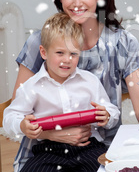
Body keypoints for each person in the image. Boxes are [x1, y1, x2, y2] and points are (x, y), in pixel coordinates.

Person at [12, 0, 139, 171]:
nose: (76, 3)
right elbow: (16, 116)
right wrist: (54, 134)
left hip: (101, 151)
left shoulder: (122, 42)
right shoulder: (39, 41)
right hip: (43, 151)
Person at [4, 12, 120, 171]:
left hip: (88, 146)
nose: (67, 59)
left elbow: (112, 110)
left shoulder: (89, 81)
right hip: (48, 150)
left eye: (73, 53)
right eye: (60, 53)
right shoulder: (32, 86)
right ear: (44, 53)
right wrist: (22, 126)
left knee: (109, 168)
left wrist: (107, 115)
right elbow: (9, 116)